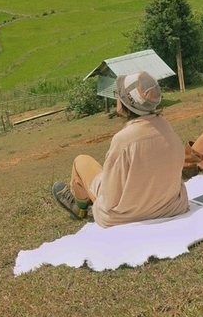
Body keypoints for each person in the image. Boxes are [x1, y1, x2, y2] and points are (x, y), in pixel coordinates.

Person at [52, 71, 189, 227]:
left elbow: (110, 197)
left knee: (81, 161)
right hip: (170, 208)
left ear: (125, 103)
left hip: (127, 217)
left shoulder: (124, 140)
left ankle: (80, 207)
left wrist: (98, 193)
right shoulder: (168, 130)